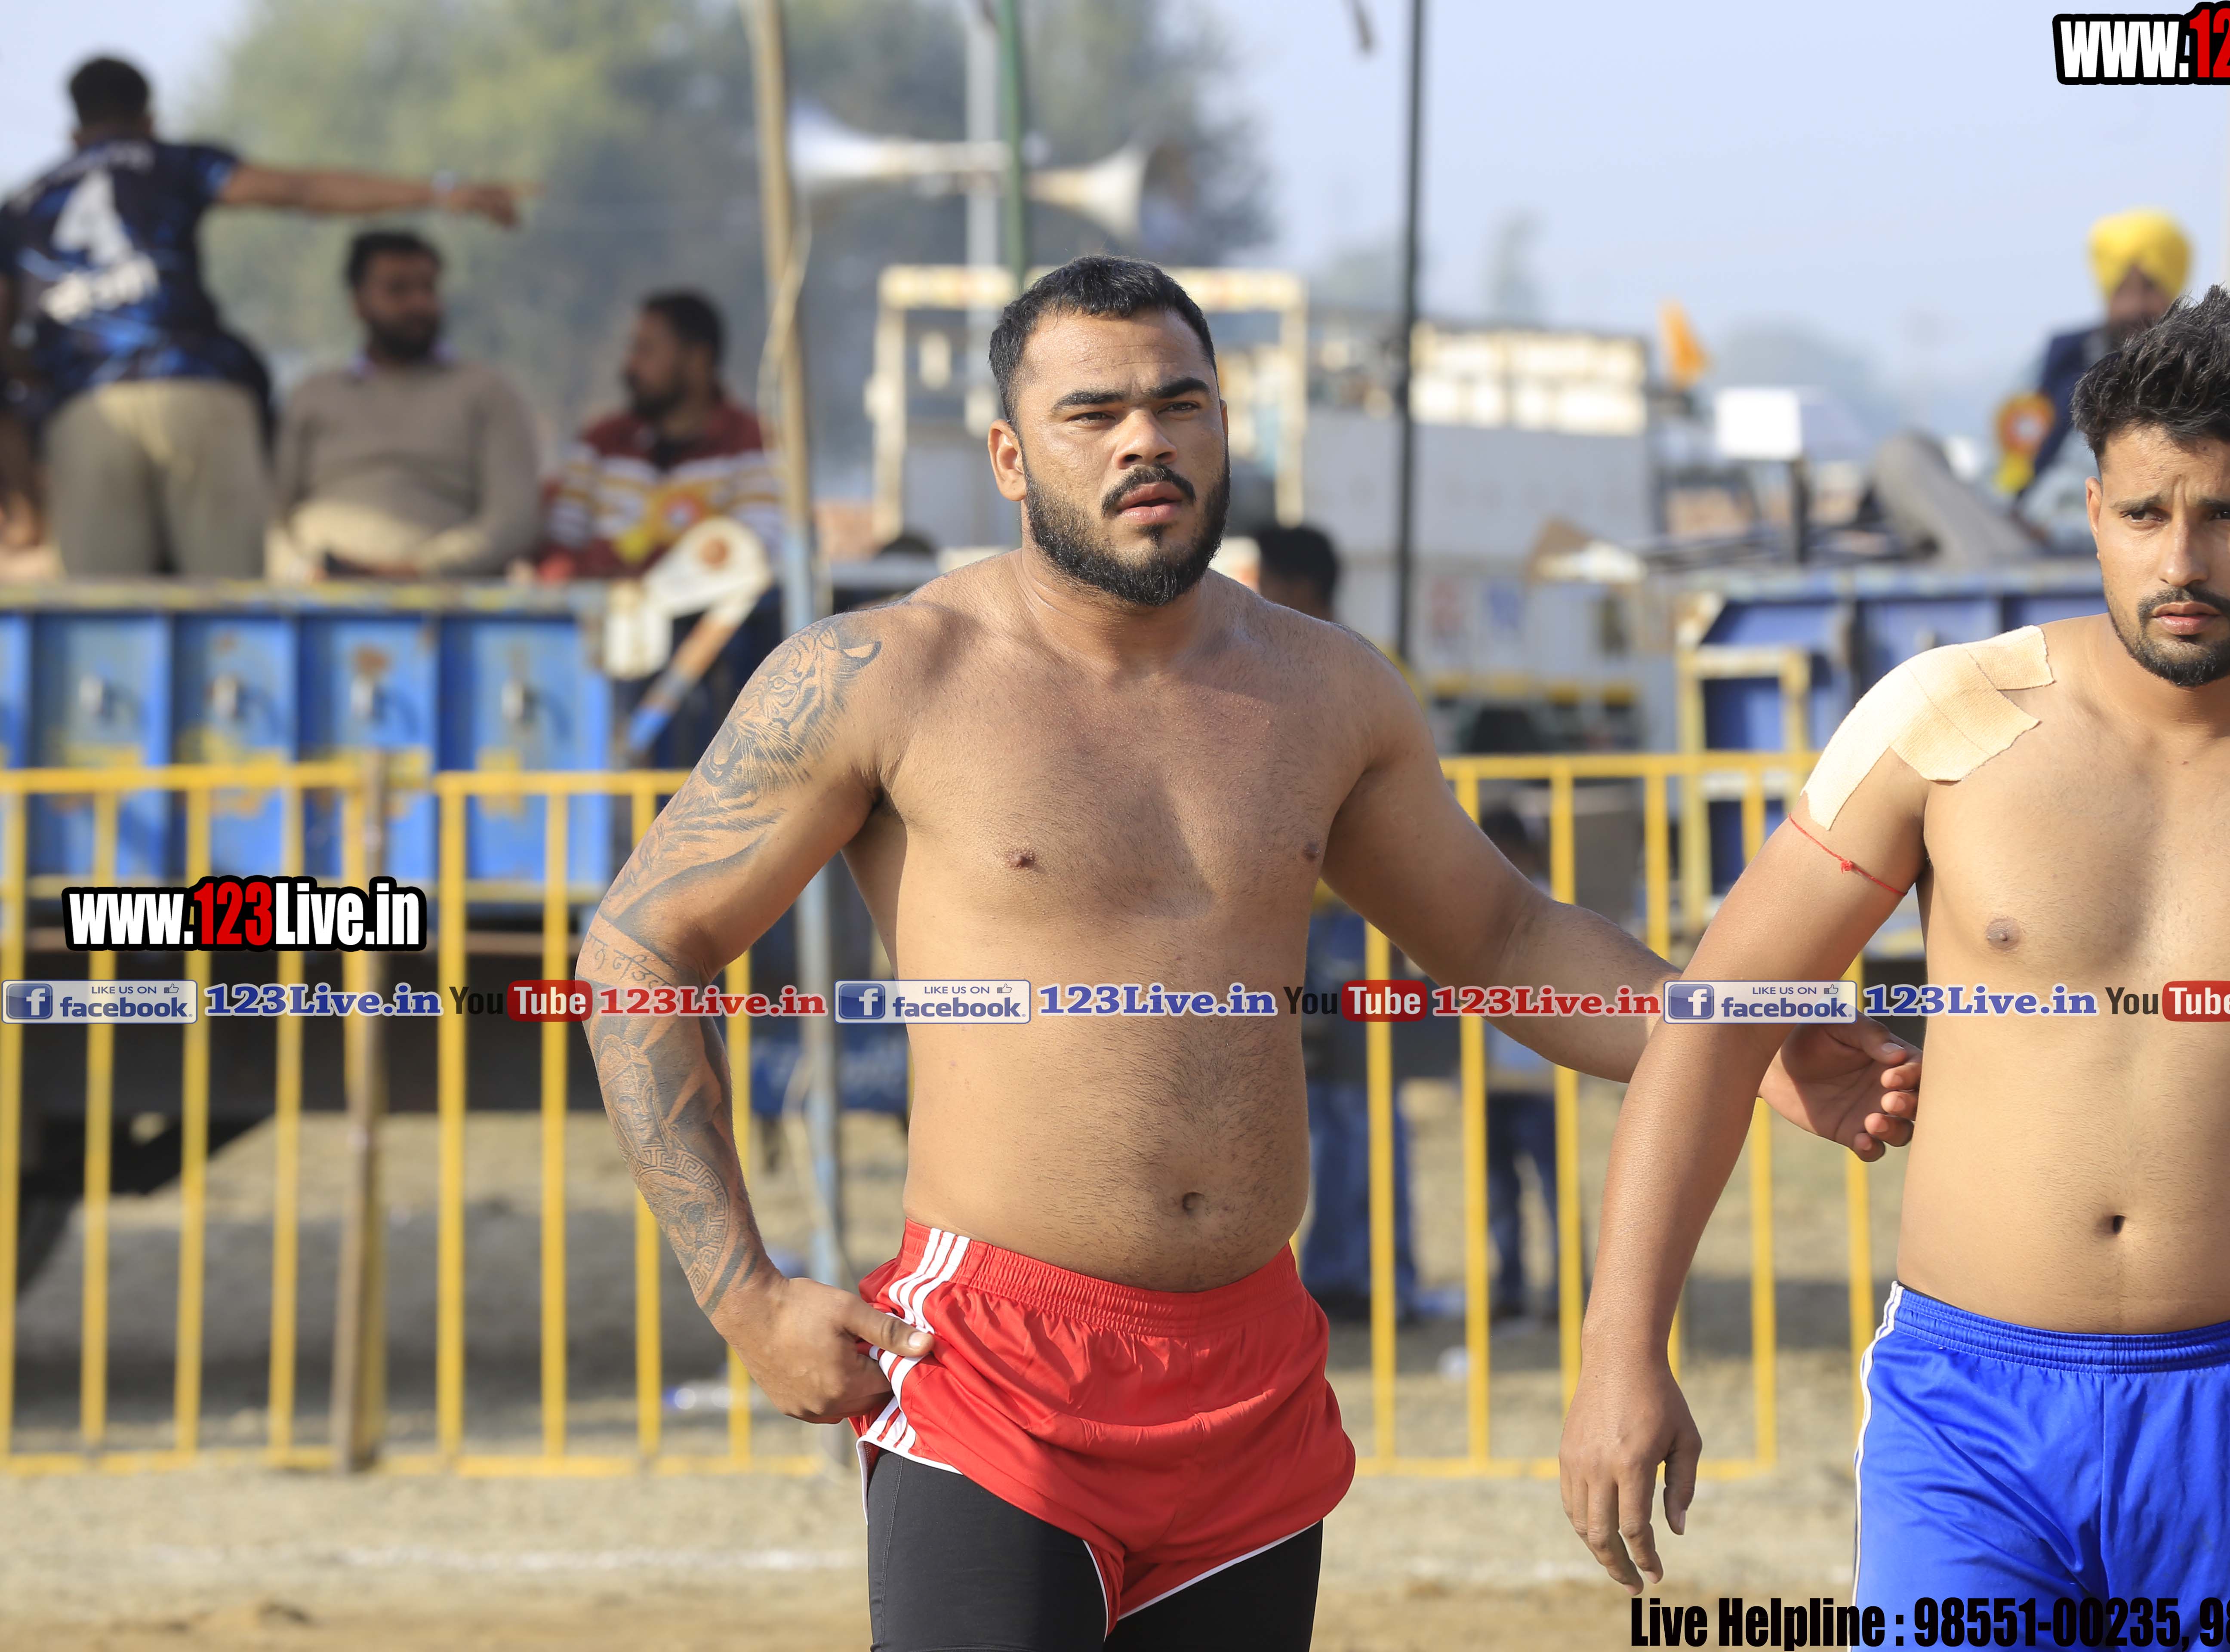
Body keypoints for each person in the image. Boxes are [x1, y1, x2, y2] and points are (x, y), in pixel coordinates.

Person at [577, 255, 1922, 1651]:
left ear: (1228, 427)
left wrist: (1740, 1041)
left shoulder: (1324, 687)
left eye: (1181, 404)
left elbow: (1504, 934)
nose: (1145, 440)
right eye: (1093, 413)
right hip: (995, 1372)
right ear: (1009, 458)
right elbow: (638, 946)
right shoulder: (887, 675)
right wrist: (742, 1294)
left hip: (1249, 1384)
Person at [1561, 287, 2230, 1602]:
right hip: (1968, 1412)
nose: (2183, 561)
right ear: (2094, 511)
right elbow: (1715, 1023)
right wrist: (1618, 1350)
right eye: (2147, 514)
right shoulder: (1948, 722)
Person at [0, 55, 520, 577]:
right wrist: (441, 193)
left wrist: (42, 372)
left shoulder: (24, 204)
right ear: (150, 121)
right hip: (196, 388)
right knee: (228, 596)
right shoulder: (172, 162)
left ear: (73, 134)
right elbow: (301, 191)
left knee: (102, 608)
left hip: (89, 409)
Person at [1253, 521, 1419, 1320]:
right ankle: (1344, 1273)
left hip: (1352, 926)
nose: (1256, 593)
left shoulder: (1336, 669)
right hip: (1315, 925)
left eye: (1267, 578)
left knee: (1358, 1104)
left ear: (1298, 586)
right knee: (1325, 1107)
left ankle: (1366, 1278)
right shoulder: (1323, 664)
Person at [267, 230, 540, 579]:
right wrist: (302, 574)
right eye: (398, 290)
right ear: (358, 304)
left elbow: (514, 520)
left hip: (445, 597)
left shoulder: (488, 392)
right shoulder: (313, 395)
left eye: (428, 288)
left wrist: (419, 571)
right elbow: (270, 516)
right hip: (314, 596)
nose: (418, 305)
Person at [536, 290, 781, 581]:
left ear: (697, 360)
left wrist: (655, 569)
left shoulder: (751, 443)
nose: (631, 366)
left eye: (646, 350)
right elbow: (559, 549)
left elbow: (754, 555)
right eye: (633, 350)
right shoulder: (600, 442)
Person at [2002, 207, 2188, 550]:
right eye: (2122, 290)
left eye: (2150, 289)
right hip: (2018, 537)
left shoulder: (2192, 378)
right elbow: (2010, 464)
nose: (2134, 307)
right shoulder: (2061, 363)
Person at [1480, 806, 1559, 1320]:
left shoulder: (1553, 907)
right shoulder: (1470, 907)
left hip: (1541, 1080)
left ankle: (1563, 1291)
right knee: (1499, 1192)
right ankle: (1509, 1289)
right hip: (1490, 1080)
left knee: (1553, 1189)